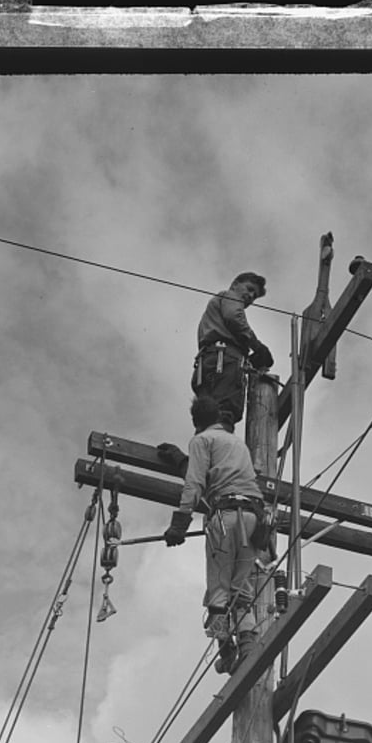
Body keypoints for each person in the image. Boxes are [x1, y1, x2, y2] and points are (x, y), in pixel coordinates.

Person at [162, 395, 265, 675]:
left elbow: (194, 483)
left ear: (197, 422)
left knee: (218, 589)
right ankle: (249, 645)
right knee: (241, 588)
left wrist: (180, 524)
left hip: (224, 516)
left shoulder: (201, 441)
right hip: (254, 517)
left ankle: (226, 649)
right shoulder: (237, 444)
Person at [192, 272, 275, 429]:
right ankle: (220, 450)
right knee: (225, 412)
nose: (251, 296)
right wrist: (257, 346)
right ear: (235, 284)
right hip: (223, 361)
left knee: (206, 418)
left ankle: (204, 449)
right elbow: (234, 318)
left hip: (208, 362)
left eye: (254, 295)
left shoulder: (215, 310)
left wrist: (250, 359)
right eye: (249, 289)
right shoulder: (229, 296)